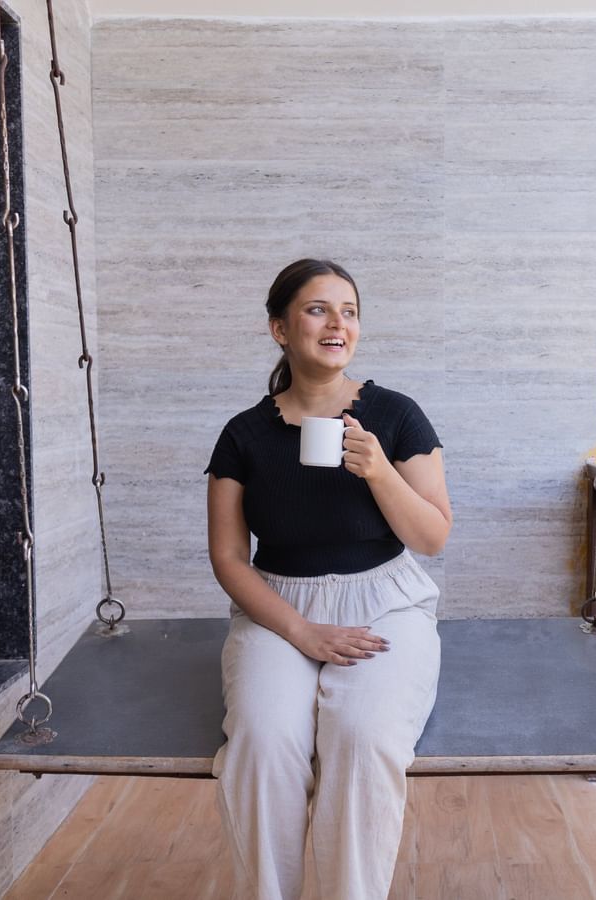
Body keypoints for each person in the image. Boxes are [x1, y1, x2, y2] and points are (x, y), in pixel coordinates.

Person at [203, 258, 453, 900]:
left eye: (349, 311)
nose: (337, 323)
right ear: (280, 329)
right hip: (277, 607)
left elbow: (432, 536)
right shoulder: (243, 435)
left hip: (385, 603)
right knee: (262, 741)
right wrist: (301, 631)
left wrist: (378, 470)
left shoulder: (396, 416)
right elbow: (229, 558)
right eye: (317, 309)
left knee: (364, 736)